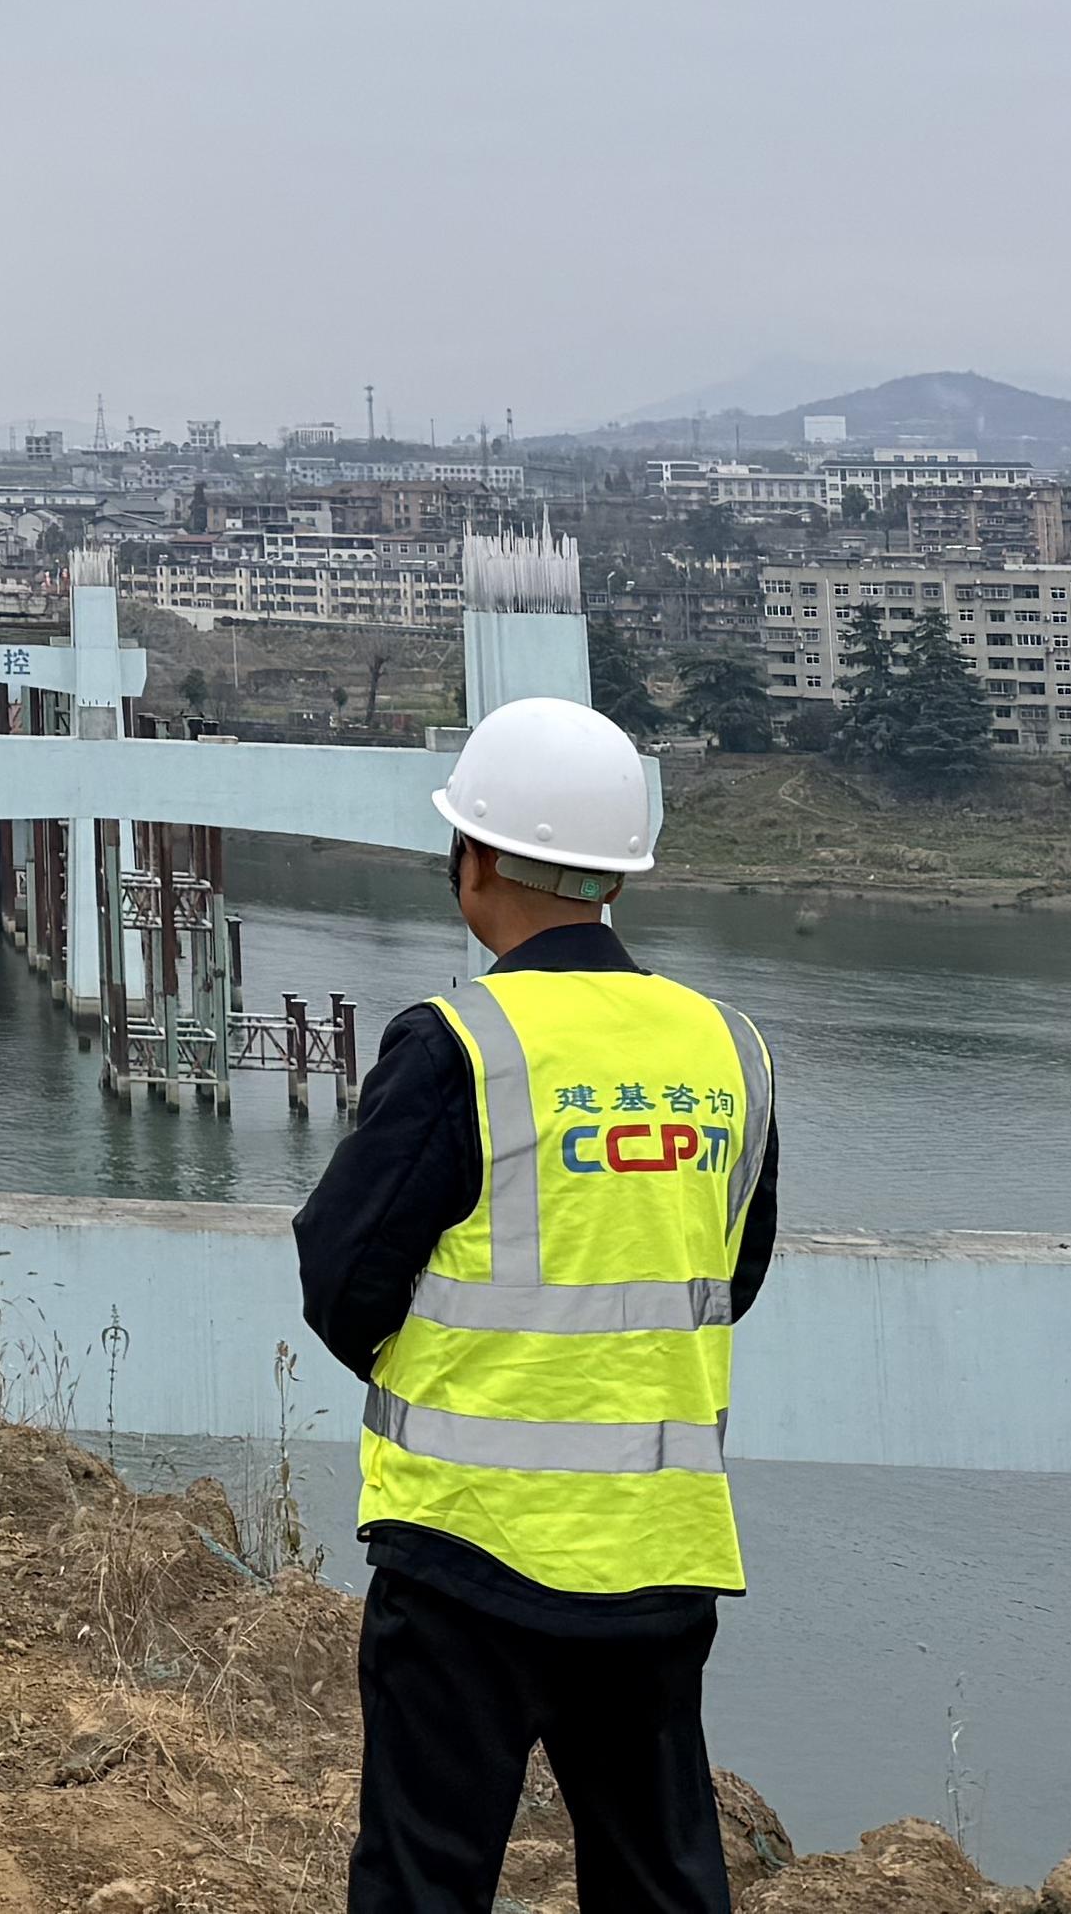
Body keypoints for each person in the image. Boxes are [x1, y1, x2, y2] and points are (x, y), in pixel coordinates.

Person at [294, 691, 778, 1914]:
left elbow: (339, 1276)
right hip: (658, 1553)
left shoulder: (456, 1045)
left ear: (472, 860)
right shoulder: (728, 1049)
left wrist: (454, 1372)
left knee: (426, 1880)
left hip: (464, 1551)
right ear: (615, 876)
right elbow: (731, 1275)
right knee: (661, 1884)